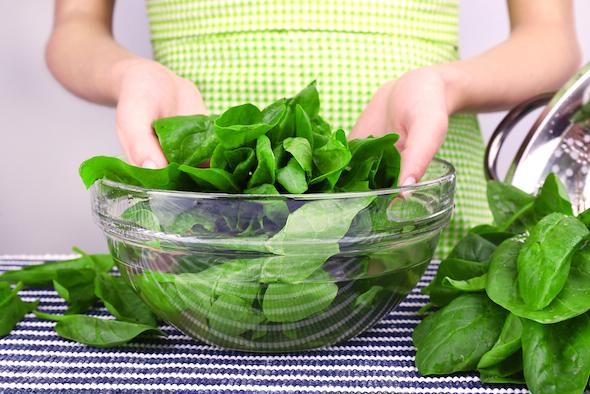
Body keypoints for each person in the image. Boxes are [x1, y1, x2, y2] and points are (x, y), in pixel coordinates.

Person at [46, 0, 580, 255]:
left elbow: (551, 38)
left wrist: (447, 85)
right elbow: (75, 29)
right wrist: (129, 74)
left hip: (414, 216)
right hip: (196, 234)